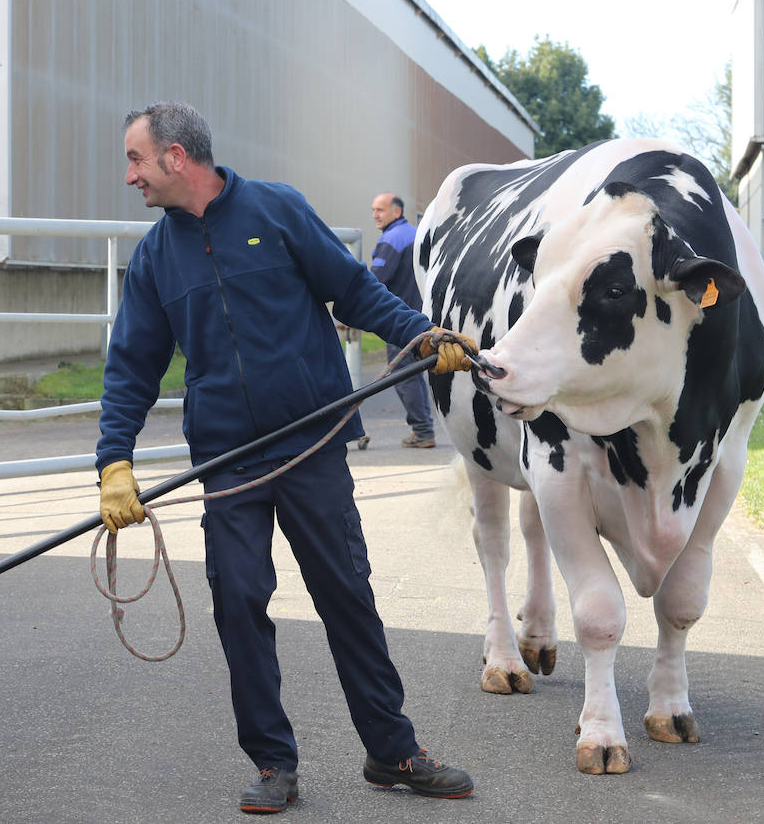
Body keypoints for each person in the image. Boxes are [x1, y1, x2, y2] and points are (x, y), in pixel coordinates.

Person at [97, 102, 478, 814]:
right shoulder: (154, 259)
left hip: (312, 443)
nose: (130, 176)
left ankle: (392, 751)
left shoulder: (275, 211)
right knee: (239, 603)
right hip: (228, 461)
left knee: (346, 595)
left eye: (136, 160)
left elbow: (354, 290)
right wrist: (113, 463)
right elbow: (130, 368)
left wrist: (422, 335)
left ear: (177, 157)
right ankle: (273, 763)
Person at [369, 192, 435, 447]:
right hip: (421, 317)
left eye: (380, 210)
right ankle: (424, 429)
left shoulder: (392, 239)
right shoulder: (416, 233)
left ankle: (422, 431)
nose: (375, 214)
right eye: (373, 210)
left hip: (399, 320)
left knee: (403, 375)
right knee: (415, 375)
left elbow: (373, 282)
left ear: (396, 212)